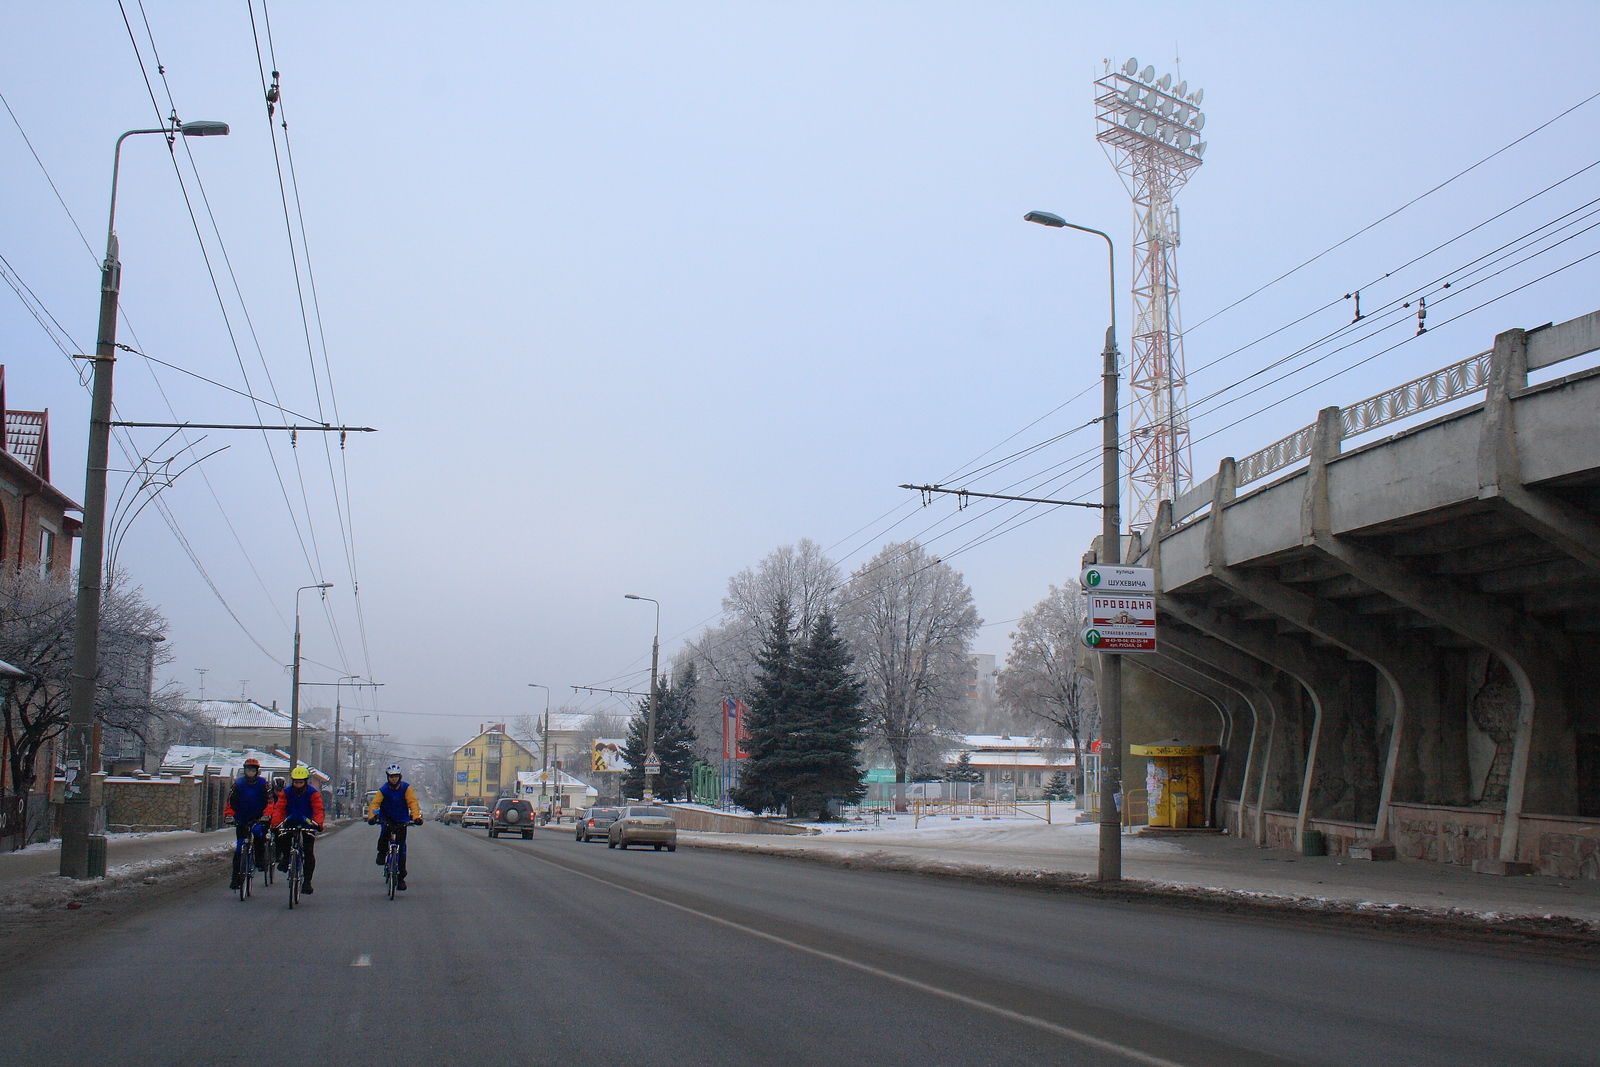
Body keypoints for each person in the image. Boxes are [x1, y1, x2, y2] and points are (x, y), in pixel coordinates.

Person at [269, 766, 325, 894]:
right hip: (291, 821)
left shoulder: (313, 793)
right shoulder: (286, 792)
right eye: (296, 782)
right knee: (283, 838)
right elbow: (279, 808)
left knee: (308, 852)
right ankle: (286, 858)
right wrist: (276, 823)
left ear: (305, 781)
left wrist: (318, 823)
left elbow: (318, 809)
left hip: (308, 823)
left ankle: (307, 882)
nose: (298, 785)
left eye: (300, 782)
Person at [366, 765, 422, 891]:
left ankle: (401, 877)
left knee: (401, 848)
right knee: (384, 835)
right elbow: (375, 804)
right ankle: (381, 853)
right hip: (387, 818)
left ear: (400, 777)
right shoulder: (383, 790)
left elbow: (413, 802)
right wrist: (372, 817)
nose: (393, 779)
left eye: (396, 776)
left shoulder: (406, 788)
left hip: (402, 819)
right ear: (388, 777)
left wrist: (416, 817)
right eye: (391, 776)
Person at [223, 758, 272, 890]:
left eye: (253, 770)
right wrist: (229, 815)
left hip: (257, 817)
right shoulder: (238, 784)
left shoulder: (263, 784)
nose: (250, 773)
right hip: (241, 818)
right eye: (248, 770)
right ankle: (236, 878)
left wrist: (266, 815)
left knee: (258, 833)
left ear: (257, 771)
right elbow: (230, 802)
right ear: (244, 771)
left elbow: (269, 801)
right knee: (239, 847)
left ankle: (260, 859)